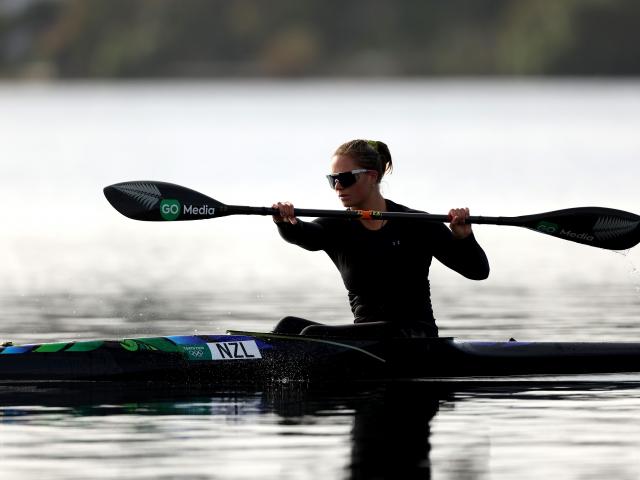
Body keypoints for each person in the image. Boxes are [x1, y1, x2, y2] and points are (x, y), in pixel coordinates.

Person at [272, 139, 489, 338]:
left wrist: (465, 237)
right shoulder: (336, 226)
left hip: (414, 336)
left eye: (345, 178)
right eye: (333, 180)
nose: (338, 186)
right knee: (287, 327)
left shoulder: (417, 224)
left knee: (312, 334)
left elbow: (477, 271)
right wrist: (284, 221)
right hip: (367, 340)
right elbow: (303, 234)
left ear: (371, 176)